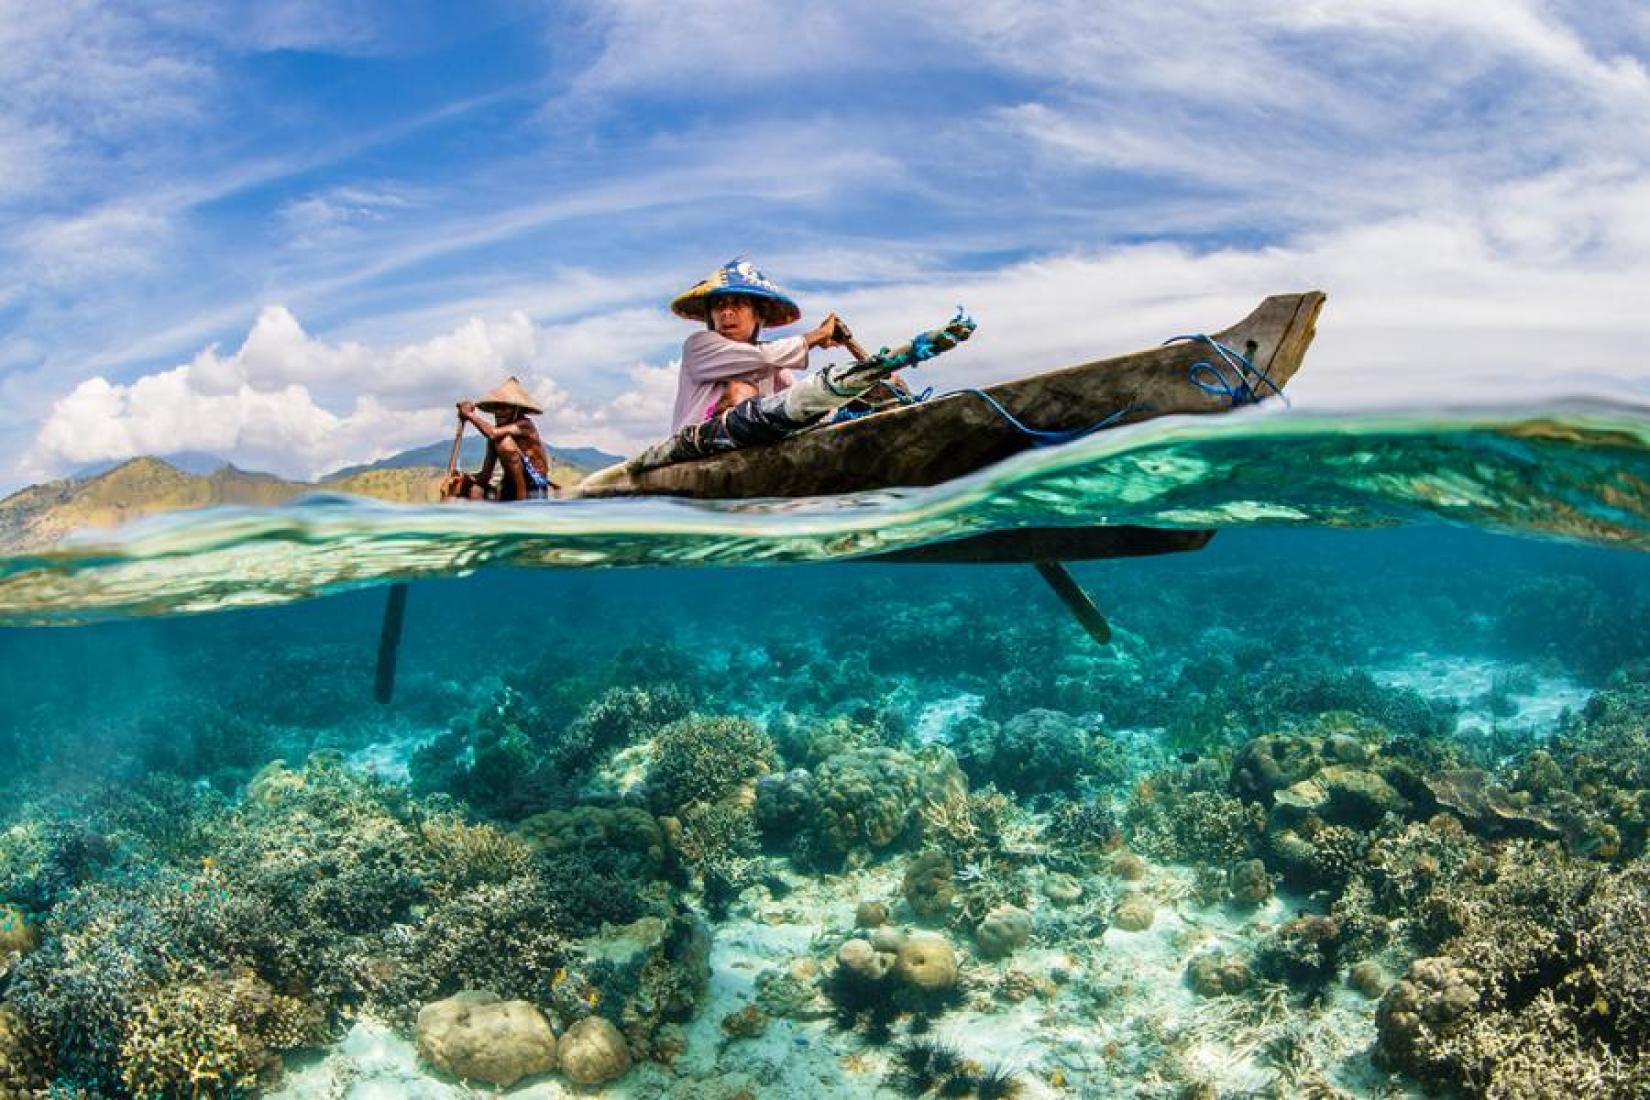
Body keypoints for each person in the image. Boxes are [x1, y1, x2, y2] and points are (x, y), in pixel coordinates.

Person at [669, 258, 846, 432]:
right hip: (697, 448)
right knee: (742, 392)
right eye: (719, 306)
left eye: (738, 303)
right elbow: (765, 357)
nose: (727, 313)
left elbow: (799, 396)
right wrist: (819, 335)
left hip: (752, 449)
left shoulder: (774, 365)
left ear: (758, 315)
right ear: (711, 316)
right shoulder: (698, 346)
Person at [448, 376, 556, 500]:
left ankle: (522, 504)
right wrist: (463, 478)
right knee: (472, 489)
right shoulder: (495, 437)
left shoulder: (525, 425)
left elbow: (492, 433)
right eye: (496, 408)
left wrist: (469, 415)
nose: (499, 412)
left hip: (533, 487)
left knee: (505, 443)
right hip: (509, 487)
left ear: (516, 410)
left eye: (504, 408)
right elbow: (485, 475)